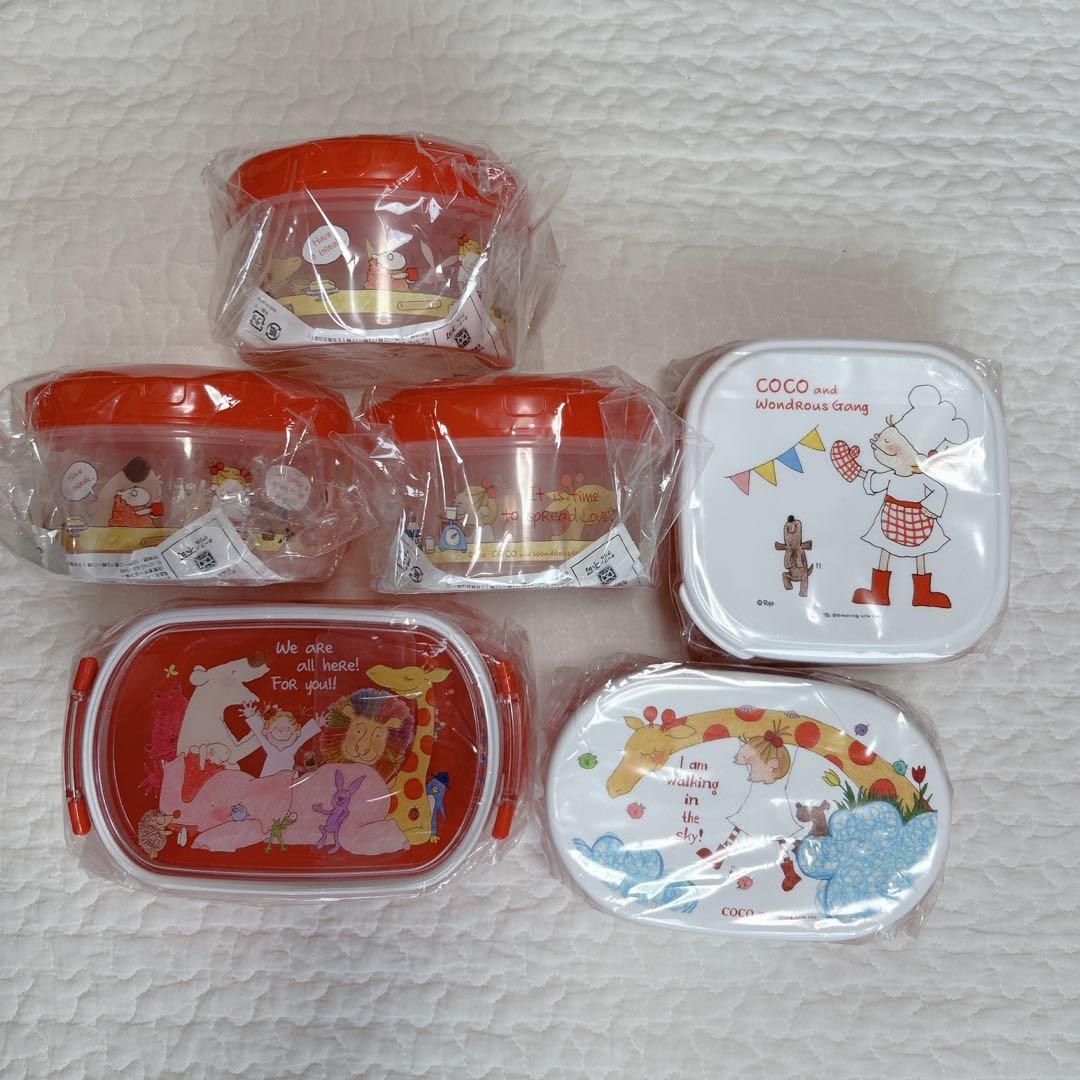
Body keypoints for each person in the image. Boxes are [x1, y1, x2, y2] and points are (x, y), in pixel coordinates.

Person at [696, 728, 805, 892]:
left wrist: (797, 743)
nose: (751, 766)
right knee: (738, 829)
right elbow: (748, 755)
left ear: (773, 764)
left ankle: (790, 874)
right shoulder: (756, 771)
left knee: (780, 839)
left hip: (773, 812)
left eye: (754, 761)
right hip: (753, 809)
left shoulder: (778, 778)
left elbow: (791, 751)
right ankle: (718, 859)